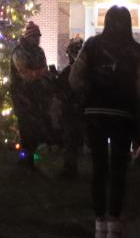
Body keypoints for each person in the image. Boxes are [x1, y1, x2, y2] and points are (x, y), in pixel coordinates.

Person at [69, 7, 140, 238]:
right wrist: (135, 99)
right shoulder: (136, 50)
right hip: (122, 114)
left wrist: (89, 91)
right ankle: (114, 222)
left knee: (98, 168)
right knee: (118, 169)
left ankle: (99, 223)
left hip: (95, 112)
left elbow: (75, 77)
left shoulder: (92, 45)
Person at [10, 21, 51, 168]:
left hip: (37, 96)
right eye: (35, 36)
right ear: (28, 37)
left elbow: (44, 69)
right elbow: (24, 73)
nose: (37, 39)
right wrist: (39, 73)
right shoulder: (19, 52)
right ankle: (25, 159)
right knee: (25, 128)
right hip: (23, 96)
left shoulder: (39, 52)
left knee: (35, 127)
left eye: (38, 36)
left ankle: (30, 158)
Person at [56, 36, 85, 179]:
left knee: (71, 140)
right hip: (75, 111)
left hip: (74, 111)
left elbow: (60, 90)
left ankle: (70, 167)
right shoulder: (75, 72)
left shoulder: (71, 72)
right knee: (72, 140)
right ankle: (71, 166)